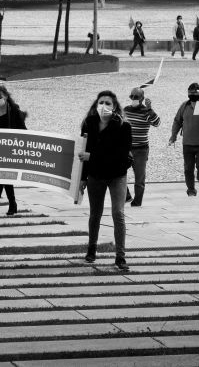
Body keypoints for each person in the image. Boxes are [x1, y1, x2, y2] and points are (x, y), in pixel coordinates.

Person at [78, 90, 132, 271]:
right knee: (95, 214)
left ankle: (120, 256)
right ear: (96, 105)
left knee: (118, 213)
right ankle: (91, 249)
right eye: (101, 102)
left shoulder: (123, 126)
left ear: (115, 106)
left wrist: (91, 157)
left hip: (117, 175)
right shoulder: (89, 124)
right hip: (96, 175)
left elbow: (120, 156)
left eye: (108, 103)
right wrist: (82, 178)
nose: (104, 106)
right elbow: (82, 152)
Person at [169, 83, 199, 196]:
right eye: (190, 92)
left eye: (194, 92)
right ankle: (191, 189)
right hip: (187, 143)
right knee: (188, 168)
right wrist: (173, 135)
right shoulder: (184, 106)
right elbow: (177, 121)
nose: (191, 94)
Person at [0, 85, 27, 216]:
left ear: (6, 96)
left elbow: (23, 129)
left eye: (0, 96)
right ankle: (13, 205)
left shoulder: (14, 109)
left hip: (10, 149)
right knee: (5, 177)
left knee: (1, 176)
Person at [122, 87, 160, 206]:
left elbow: (157, 123)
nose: (133, 99)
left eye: (136, 97)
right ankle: (126, 196)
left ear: (142, 98)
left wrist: (150, 109)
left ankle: (137, 202)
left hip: (141, 149)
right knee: (118, 173)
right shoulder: (126, 110)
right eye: (131, 96)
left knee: (139, 177)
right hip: (126, 148)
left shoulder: (146, 111)